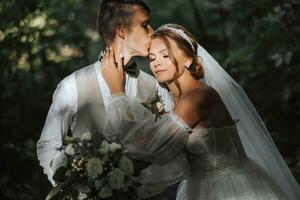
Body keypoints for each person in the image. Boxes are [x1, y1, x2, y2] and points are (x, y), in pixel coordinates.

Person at [101, 23, 300, 199]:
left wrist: (117, 91)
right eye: (152, 58)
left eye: (165, 55)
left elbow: (153, 147)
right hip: (196, 188)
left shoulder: (198, 97)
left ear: (188, 60)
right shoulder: (173, 101)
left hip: (230, 189)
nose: (156, 63)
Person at [36, 1, 188, 199]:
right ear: (121, 30)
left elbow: (167, 150)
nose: (152, 32)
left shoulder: (156, 86)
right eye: (145, 25)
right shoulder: (71, 85)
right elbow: (48, 145)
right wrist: (72, 186)